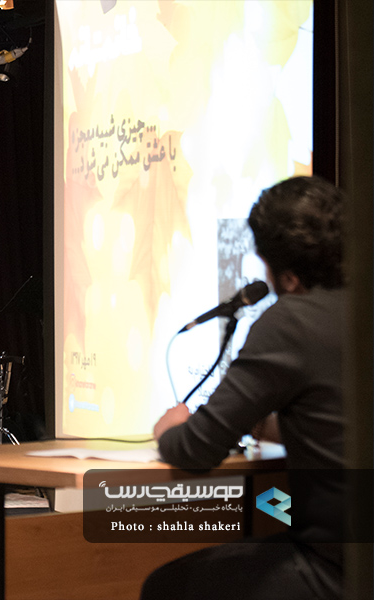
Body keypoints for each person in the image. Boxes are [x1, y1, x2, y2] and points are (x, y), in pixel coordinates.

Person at [142, 176, 345, 599]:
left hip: (337, 569)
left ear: (287, 276)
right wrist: (271, 426)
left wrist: (170, 428)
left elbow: (195, 450)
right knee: (271, 510)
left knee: (164, 588)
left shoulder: (291, 322)